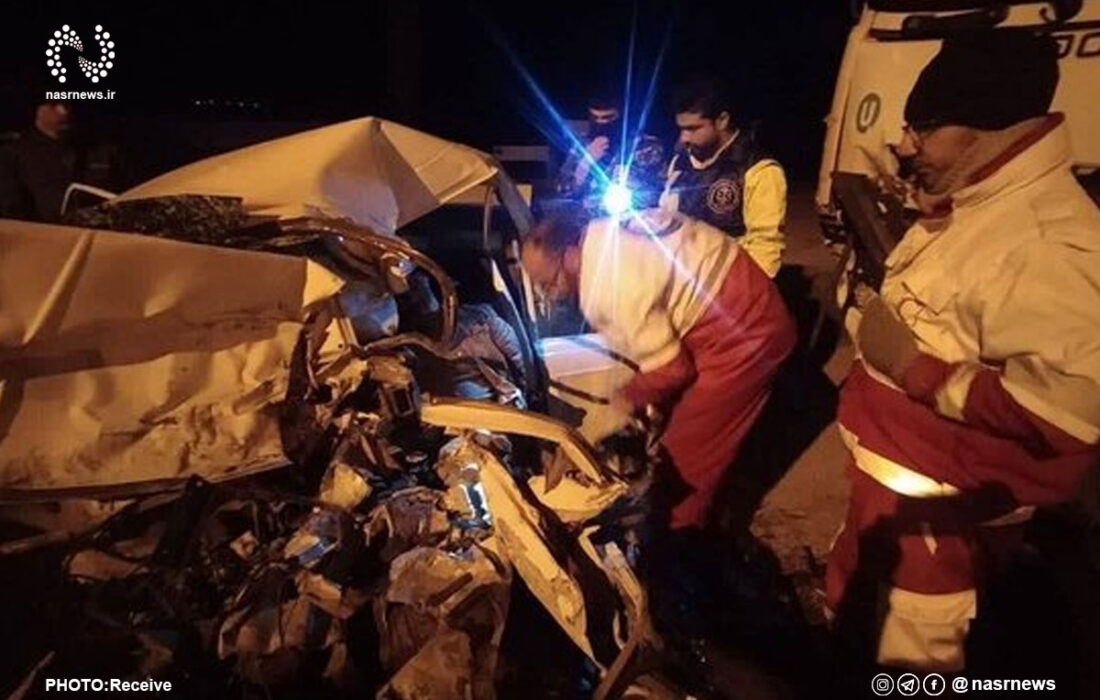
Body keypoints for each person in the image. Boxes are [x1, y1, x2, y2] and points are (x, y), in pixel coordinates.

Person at [827, 30, 1100, 673]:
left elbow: (1065, 414)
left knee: (915, 678)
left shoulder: (1043, 244)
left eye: (922, 126)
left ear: (985, 128)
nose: (903, 143)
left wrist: (920, 373)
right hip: (894, 499)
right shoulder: (980, 209)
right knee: (851, 638)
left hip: (934, 530)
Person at [522, 205, 796, 530]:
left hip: (744, 331)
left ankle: (677, 543)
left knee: (682, 464)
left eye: (548, 283)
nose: (549, 295)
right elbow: (641, 353)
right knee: (674, 423)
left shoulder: (607, 284)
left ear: (569, 255)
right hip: (738, 292)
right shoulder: (602, 233)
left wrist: (608, 417)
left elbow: (673, 371)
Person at [660, 78, 786, 278]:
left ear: (722, 121)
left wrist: (745, 294)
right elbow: (667, 220)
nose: (684, 137)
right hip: (683, 283)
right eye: (681, 129)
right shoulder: (680, 164)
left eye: (693, 128)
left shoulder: (759, 170)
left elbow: (766, 247)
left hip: (730, 283)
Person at [0, 97, 124, 222]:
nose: (64, 111)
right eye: (54, 104)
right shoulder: (14, 154)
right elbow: (11, 212)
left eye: (67, 104)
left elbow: (125, 194)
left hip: (102, 235)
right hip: (46, 236)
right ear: (37, 110)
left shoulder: (101, 149)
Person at [554, 95, 665, 215]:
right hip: (585, 219)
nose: (601, 123)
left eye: (608, 117)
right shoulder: (582, 144)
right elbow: (562, 190)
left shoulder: (646, 146)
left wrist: (634, 182)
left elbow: (659, 194)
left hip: (630, 219)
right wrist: (585, 163)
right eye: (595, 118)